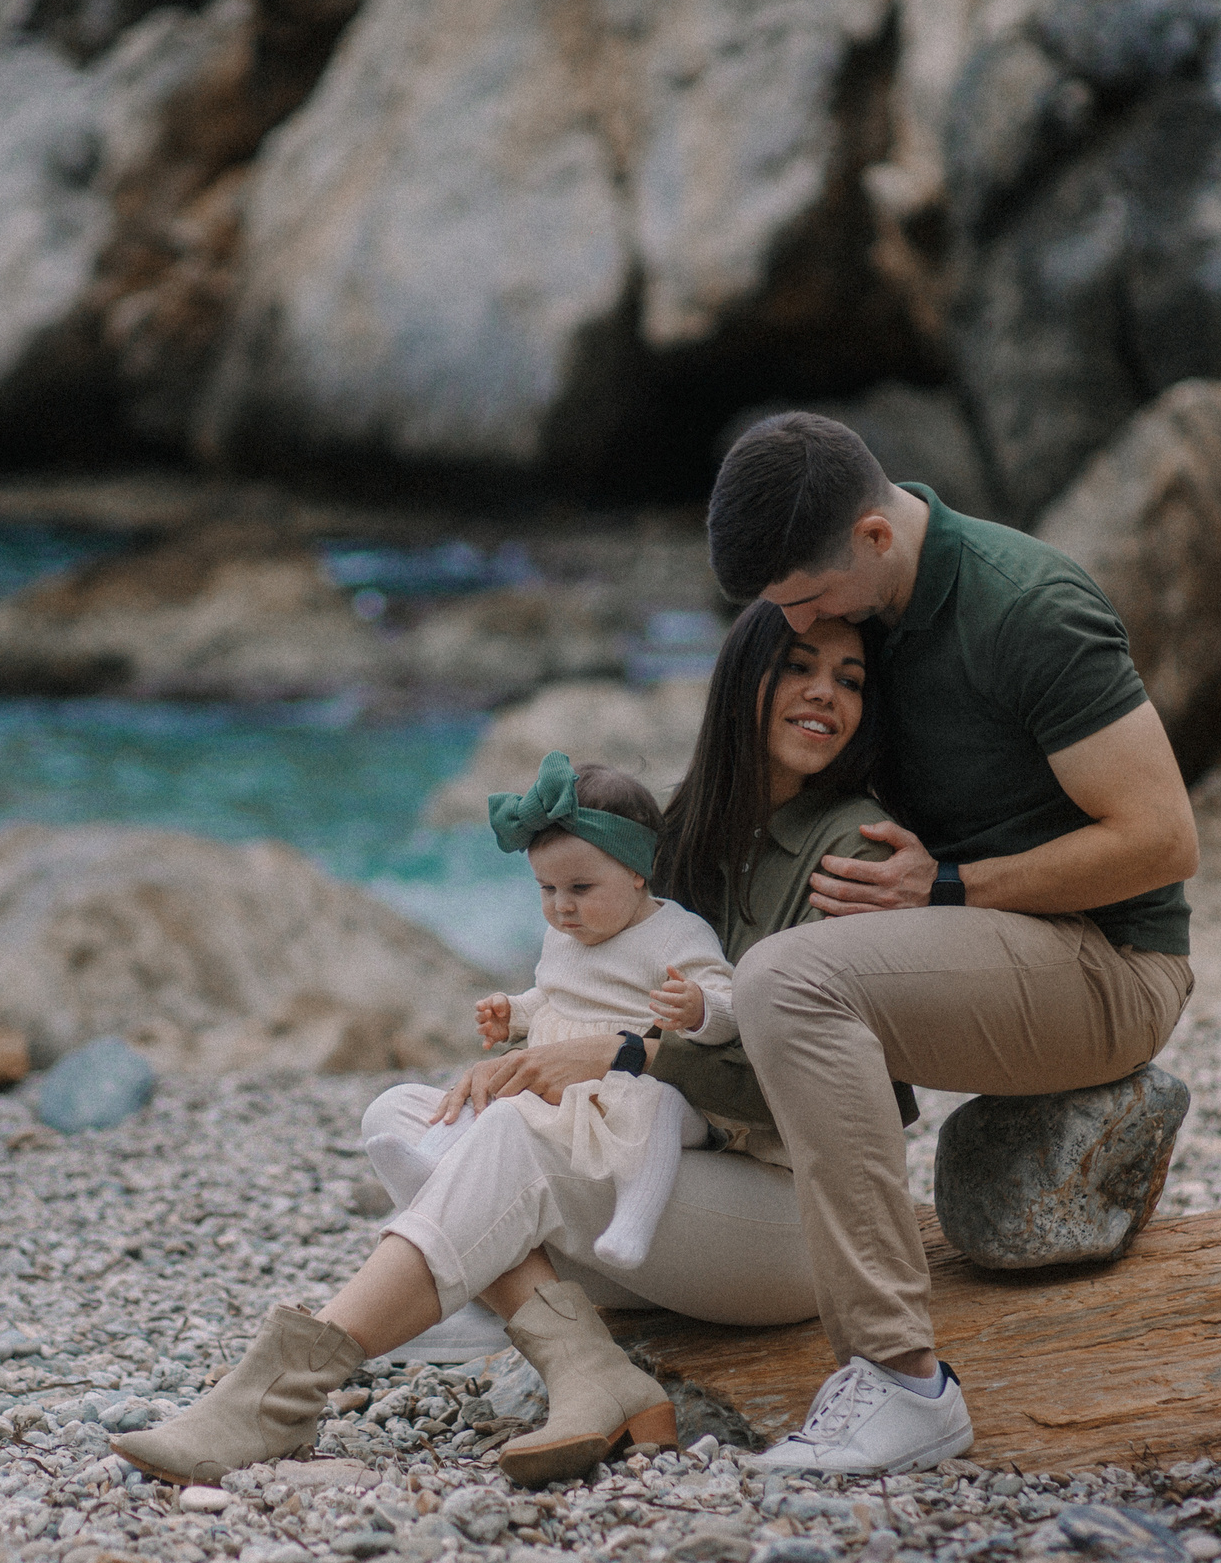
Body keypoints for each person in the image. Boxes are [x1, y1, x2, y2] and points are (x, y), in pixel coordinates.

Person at [111, 604, 917, 1487]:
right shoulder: (682, 830)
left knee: (514, 1136)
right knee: (409, 1114)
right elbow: (583, 980)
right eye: (799, 666)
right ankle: (588, 1369)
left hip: (792, 1218)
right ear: (743, 682)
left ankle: (280, 1396)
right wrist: (534, 1048)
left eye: (849, 679)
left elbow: (843, 1083)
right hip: (659, 1205)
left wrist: (621, 1055)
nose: (824, 693)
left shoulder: (854, 848)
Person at [687, 410, 1200, 1474]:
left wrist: (952, 885)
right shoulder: (871, 600)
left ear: (875, 537)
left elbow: (1161, 840)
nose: (800, 624)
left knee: (788, 985)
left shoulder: (1027, 606)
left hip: (1110, 964)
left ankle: (901, 1383)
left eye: (806, 599)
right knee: (752, 973)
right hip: (979, 948)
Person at [364, 753, 732, 1284]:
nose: (562, 907)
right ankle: (433, 1169)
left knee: (659, 1102)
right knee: (400, 1103)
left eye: (580, 888)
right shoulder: (566, 937)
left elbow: (733, 1005)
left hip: (630, 1095)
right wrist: (516, 1013)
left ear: (636, 871)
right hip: (557, 1094)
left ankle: (634, 1219)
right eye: (547, 888)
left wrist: (699, 1009)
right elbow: (556, 996)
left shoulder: (675, 934)